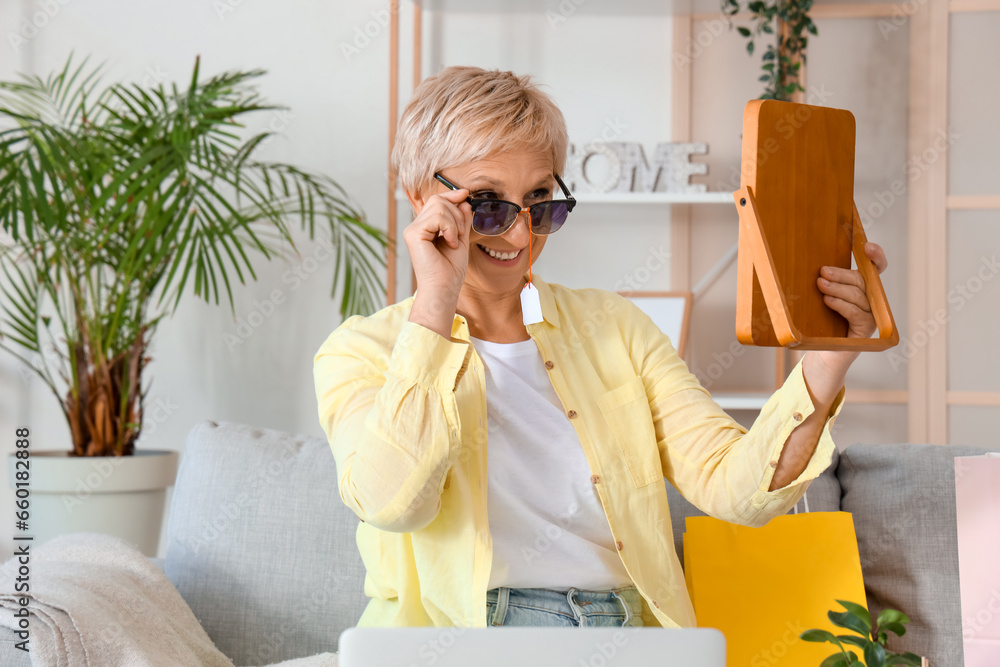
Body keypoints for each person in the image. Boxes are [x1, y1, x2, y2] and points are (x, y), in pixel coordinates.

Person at [312, 65, 888, 630]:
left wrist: (830, 353)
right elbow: (392, 505)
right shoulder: (362, 352)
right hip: (467, 641)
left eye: (540, 202)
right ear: (421, 198)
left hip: (623, 634)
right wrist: (435, 302)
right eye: (487, 205)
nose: (519, 236)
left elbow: (737, 491)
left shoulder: (616, 328)